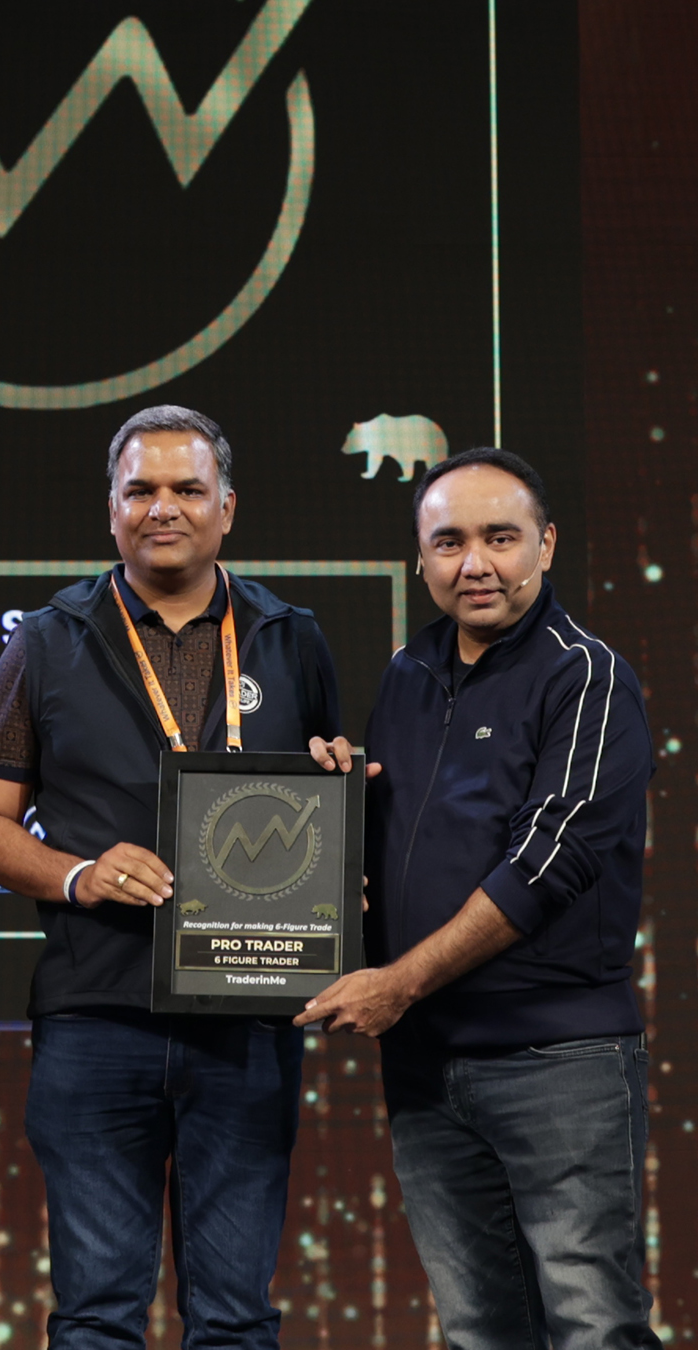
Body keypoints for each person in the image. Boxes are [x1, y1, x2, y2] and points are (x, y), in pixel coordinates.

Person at [0, 405, 344, 1349]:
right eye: (140, 490)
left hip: (247, 1023)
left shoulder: (293, 638)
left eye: (186, 489)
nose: (162, 507)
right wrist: (78, 874)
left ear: (227, 508)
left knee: (236, 1320)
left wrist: (341, 804)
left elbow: (329, 800)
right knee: (95, 1318)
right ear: (111, 508)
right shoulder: (44, 640)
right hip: (97, 1017)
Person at [296, 448, 660, 1349]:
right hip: (427, 1068)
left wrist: (399, 984)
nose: (475, 564)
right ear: (420, 559)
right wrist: (329, 805)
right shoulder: (408, 673)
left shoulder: (587, 677)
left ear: (546, 544)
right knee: (478, 1331)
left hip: (558, 1061)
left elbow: (547, 866)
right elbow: (396, 846)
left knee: (593, 1325)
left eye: (501, 538)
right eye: (449, 542)